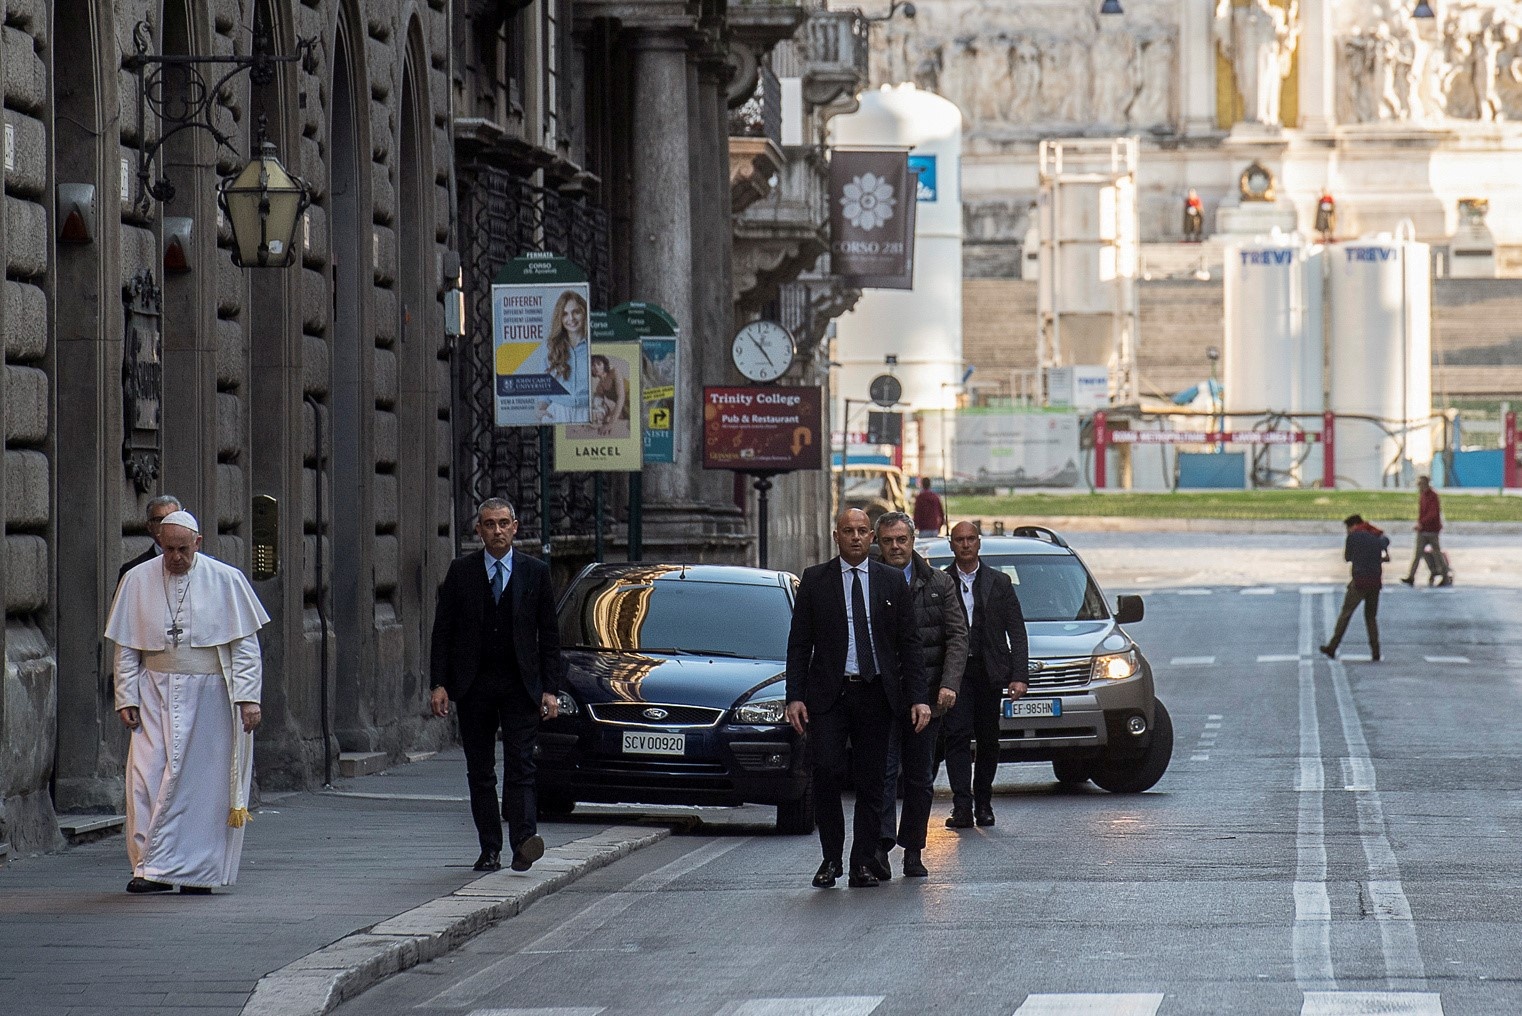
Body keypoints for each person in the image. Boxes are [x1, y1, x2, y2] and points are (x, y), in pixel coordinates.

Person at [105, 510, 270, 894]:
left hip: (210, 696)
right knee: (145, 779)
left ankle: (196, 873)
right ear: (159, 544)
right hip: (154, 692)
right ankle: (148, 869)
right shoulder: (137, 580)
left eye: (183, 549)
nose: (176, 557)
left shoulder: (226, 580)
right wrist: (126, 695)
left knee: (203, 787)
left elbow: (245, 648)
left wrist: (248, 699)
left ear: (198, 543)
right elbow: (126, 647)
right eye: (168, 549)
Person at [786, 508, 927, 889]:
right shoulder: (816, 581)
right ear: (836, 536)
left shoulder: (891, 581)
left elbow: (909, 645)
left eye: (863, 531)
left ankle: (862, 860)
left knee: (872, 781)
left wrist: (918, 697)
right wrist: (794, 696)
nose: (855, 537)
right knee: (828, 773)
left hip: (877, 693)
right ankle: (831, 857)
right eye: (848, 531)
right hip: (830, 694)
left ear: (872, 538)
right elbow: (799, 644)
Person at [430, 498, 562, 874]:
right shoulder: (461, 572)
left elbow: (549, 637)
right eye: (489, 524)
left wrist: (550, 690)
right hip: (475, 686)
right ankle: (489, 848)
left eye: (504, 523)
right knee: (481, 770)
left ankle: (524, 842)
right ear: (479, 531)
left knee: (522, 765)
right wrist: (439, 684)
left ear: (516, 527)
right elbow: (443, 633)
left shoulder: (535, 572)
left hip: (521, 685)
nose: (497, 531)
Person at [874, 511, 967, 879]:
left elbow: (958, 637)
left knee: (919, 778)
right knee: (882, 775)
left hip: (927, 699)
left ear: (913, 541)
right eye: (888, 541)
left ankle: (913, 849)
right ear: (877, 544)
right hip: (882, 697)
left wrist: (949, 684)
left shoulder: (939, 583)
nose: (896, 547)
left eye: (902, 540)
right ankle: (880, 847)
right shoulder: (869, 581)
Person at [942, 521, 1029, 829]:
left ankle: (984, 803)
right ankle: (962, 806)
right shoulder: (941, 582)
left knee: (989, 740)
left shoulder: (999, 582)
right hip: (956, 673)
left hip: (989, 671)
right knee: (956, 736)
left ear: (979, 543)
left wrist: (1019, 676)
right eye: (959, 540)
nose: (965, 545)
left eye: (970, 539)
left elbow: (1016, 631)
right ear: (951, 545)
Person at [1321, 514, 1390, 662]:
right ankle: (1376, 651)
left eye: (1348, 528)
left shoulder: (1353, 537)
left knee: (1346, 614)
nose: (1347, 531)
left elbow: (1347, 558)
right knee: (1371, 617)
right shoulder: (1376, 535)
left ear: (1353, 525)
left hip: (1359, 581)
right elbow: (1385, 550)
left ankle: (1333, 647)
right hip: (1375, 582)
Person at [117, 494, 183, 584]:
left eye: (172, 518)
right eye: (159, 520)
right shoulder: (131, 571)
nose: (166, 524)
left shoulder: (202, 566)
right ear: (149, 526)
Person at [1401, 475, 1452, 587]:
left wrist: (1421, 523)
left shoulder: (1432, 496)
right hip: (1423, 530)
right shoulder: (1423, 495)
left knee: (1437, 553)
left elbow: (1433, 514)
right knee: (1418, 554)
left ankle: (1445, 576)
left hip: (1431, 530)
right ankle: (1411, 576)